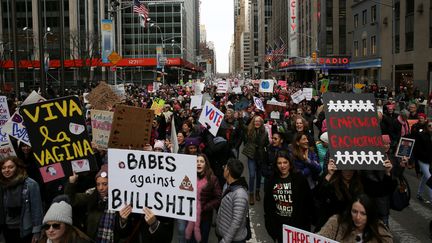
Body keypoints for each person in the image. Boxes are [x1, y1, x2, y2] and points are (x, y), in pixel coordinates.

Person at [65, 164, 130, 242]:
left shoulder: (121, 199)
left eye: (105, 184)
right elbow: (71, 200)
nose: (101, 188)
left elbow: (124, 231)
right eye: (98, 184)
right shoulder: (92, 193)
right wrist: (71, 183)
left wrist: (123, 220)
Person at [264, 150, 313, 242]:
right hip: (280, 227)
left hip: (298, 228)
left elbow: (308, 202)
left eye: (285, 162)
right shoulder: (272, 180)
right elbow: (268, 205)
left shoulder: (299, 179)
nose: (282, 166)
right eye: (279, 163)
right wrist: (271, 229)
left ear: (290, 163)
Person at [0, 156, 43, 243]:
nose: (6, 170)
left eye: (10, 167)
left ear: (18, 168)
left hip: (25, 230)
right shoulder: (2, 184)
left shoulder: (31, 184)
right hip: (6, 229)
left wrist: (37, 231)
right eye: (3, 168)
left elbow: (37, 209)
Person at [318, 194, 393, 242]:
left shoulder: (381, 233)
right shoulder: (336, 223)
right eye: (354, 211)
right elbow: (318, 238)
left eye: (363, 213)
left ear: (370, 214)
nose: (357, 217)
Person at [186, 154, 222, 243]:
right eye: (197, 162)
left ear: (206, 164)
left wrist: (205, 207)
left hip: (205, 218)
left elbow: (218, 198)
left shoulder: (213, 179)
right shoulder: (188, 178)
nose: (199, 164)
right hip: (191, 217)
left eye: (201, 162)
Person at [216, 158, 249, 243]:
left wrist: (225, 240)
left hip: (233, 240)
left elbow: (236, 222)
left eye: (225, 167)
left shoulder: (240, 195)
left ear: (228, 172)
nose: (223, 169)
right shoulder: (227, 185)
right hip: (223, 234)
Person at [242, 115, 269, 205]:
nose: (257, 123)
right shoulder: (249, 130)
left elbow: (266, 143)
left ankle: (257, 191)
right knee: (252, 175)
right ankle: (251, 194)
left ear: (261, 123)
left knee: (259, 175)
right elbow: (242, 127)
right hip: (251, 156)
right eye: (255, 121)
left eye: (259, 121)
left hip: (260, 156)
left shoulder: (265, 133)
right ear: (253, 122)